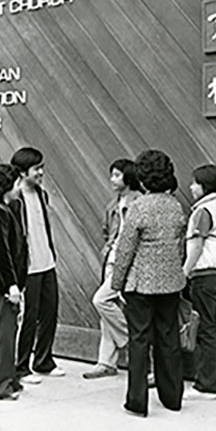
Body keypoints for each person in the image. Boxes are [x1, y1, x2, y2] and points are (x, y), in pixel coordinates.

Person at [111, 149, 186, 417]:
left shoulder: (139, 207)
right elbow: (180, 248)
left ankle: (137, 401)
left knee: (139, 341)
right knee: (169, 338)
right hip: (171, 283)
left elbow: (125, 249)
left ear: (142, 178)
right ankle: (172, 397)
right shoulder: (175, 205)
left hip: (140, 285)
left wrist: (116, 284)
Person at [10, 147, 65, 384]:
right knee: (29, 318)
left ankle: (43, 361)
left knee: (50, 314)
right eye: (36, 169)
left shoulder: (42, 194)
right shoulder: (14, 199)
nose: (41, 172)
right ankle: (21, 367)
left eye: (42, 167)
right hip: (28, 269)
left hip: (47, 263)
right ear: (22, 172)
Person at [83, 159, 143, 379]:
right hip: (112, 260)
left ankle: (132, 340)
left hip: (129, 265)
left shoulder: (139, 202)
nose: (112, 179)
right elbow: (107, 232)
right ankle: (106, 362)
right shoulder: (112, 205)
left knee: (101, 300)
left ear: (128, 177)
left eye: (117, 175)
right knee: (106, 311)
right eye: (112, 174)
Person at [183, 164, 216, 399]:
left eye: (195, 183)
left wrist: (184, 272)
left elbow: (196, 246)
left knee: (205, 327)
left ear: (205, 185)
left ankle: (206, 385)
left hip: (204, 274)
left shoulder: (203, 210)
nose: (191, 187)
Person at [0, 164, 28, 400]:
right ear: (7, 186)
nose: (20, 188)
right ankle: (1, 386)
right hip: (4, 285)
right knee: (4, 334)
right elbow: (1, 253)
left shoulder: (7, 209)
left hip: (11, 284)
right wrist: (11, 285)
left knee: (11, 332)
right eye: (17, 183)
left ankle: (10, 380)